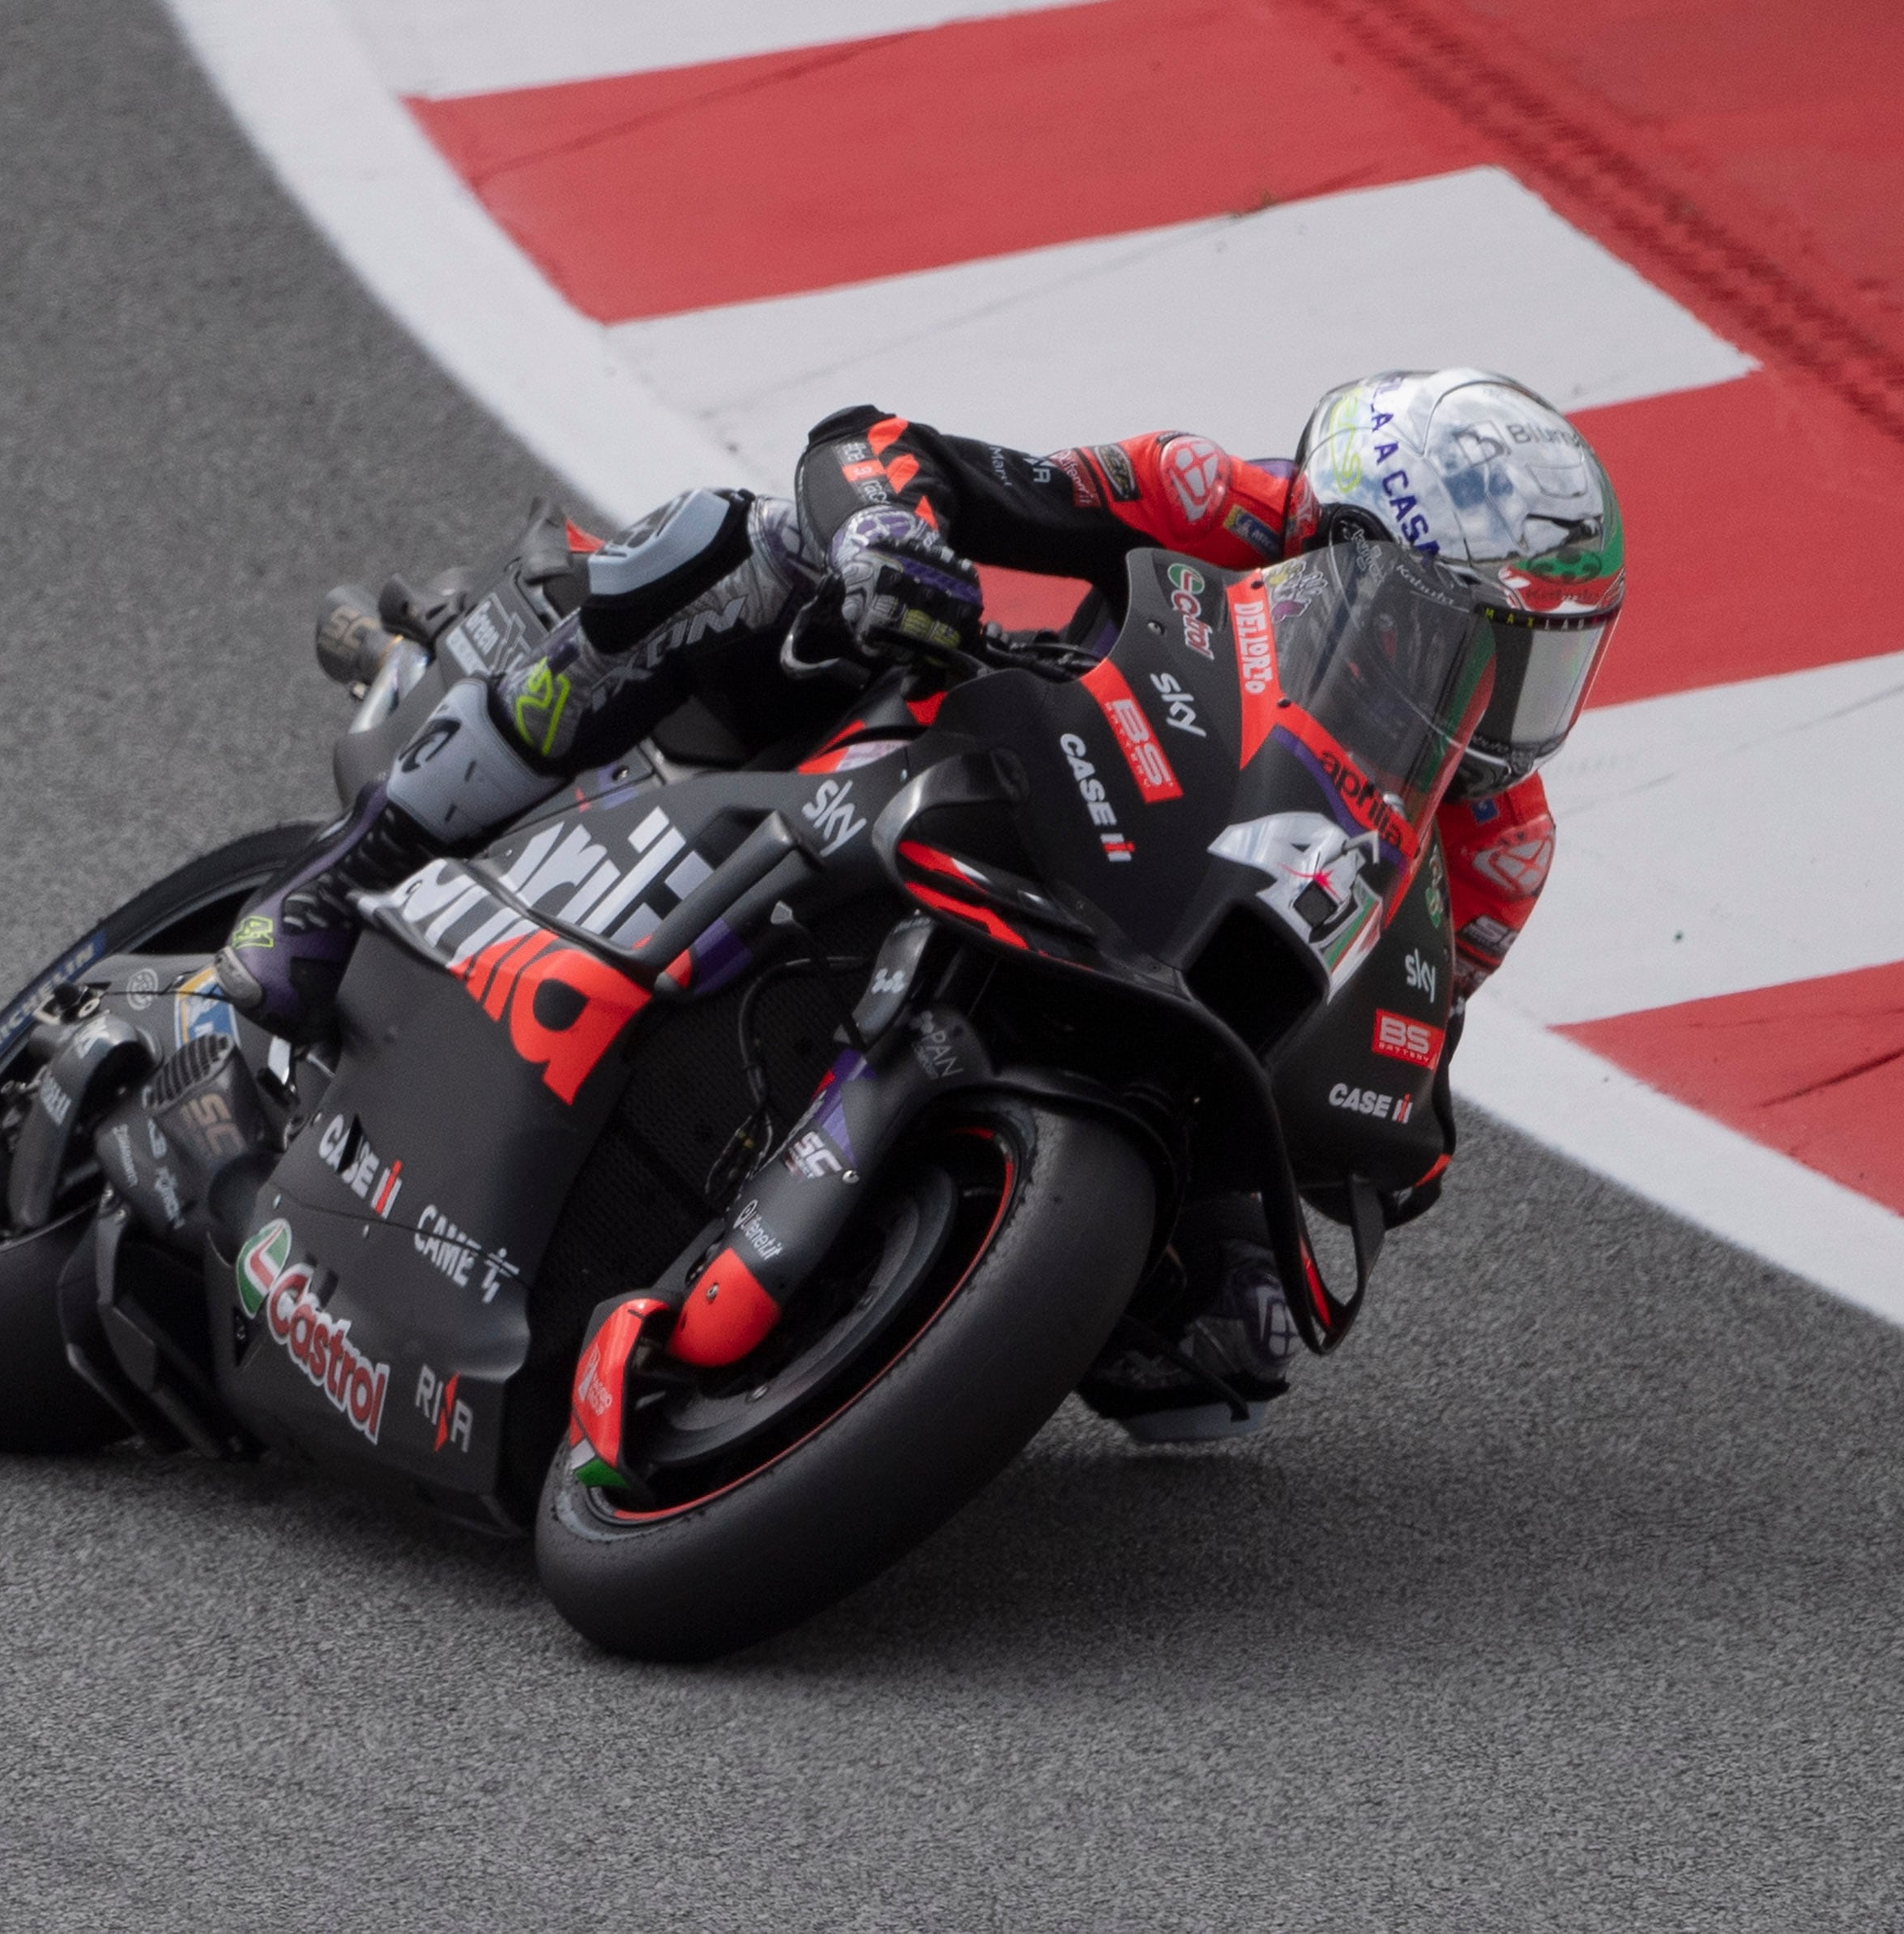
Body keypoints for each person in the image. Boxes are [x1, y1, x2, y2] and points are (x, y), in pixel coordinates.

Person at [218, 368, 1625, 1438]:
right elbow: (895, 451)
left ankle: (879, 1323)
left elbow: (1398, 1017)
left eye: (1537, 664)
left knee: (1225, 1363)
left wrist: (1389, 1127)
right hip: (986, 745)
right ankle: (345, 882)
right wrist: (894, 532)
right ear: (1346, 548)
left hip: (1163, 970)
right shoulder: (1219, 499)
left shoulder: (1497, 841)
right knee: (742, 543)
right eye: (1466, 639)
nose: (1492, 697)